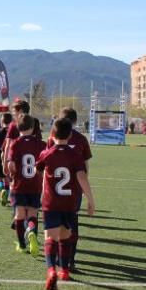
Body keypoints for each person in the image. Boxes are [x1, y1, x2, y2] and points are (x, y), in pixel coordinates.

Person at [36, 118, 95, 290]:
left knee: (50, 237)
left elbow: (37, 172)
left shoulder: (46, 153)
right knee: (65, 237)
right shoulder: (75, 155)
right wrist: (90, 200)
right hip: (70, 203)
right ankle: (65, 270)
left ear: (52, 134)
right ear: (70, 135)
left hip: (51, 202)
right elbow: (82, 177)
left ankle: (51, 270)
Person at [6, 115, 46, 255]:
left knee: (20, 215)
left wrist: (13, 175)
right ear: (32, 127)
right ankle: (31, 232)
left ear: (18, 127)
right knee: (33, 214)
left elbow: (10, 164)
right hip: (35, 185)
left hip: (20, 185)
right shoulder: (41, 144)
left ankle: (22, 245)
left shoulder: (15, 143)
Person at [58, 107, 92, 270]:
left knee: (57, 224)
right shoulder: (81, 139)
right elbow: (85, 168)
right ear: (76, 121)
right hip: (75, 189)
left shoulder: (53, 138)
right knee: (72, 222)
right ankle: (71, 259)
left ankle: (59, 257)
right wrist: (86, 190)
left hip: (56, 190)